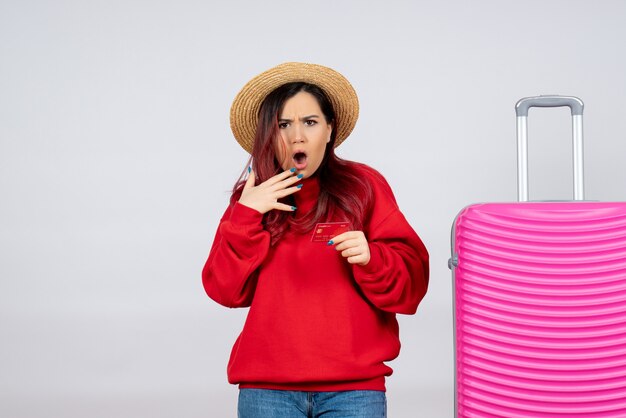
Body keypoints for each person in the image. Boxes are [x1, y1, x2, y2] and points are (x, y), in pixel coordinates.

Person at [202, 62, 429, 418]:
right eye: (283, 125)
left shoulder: (363, 186)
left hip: (354, 389)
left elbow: (412, 286)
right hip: (267, 390)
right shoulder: (252, 196)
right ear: (269, 134)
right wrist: (246, 214)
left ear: (329, 129)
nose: (297, 137)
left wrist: (373, 258)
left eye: (310, 122)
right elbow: (225, 290)